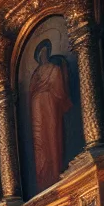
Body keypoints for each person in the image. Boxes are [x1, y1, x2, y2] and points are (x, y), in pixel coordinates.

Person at [27, 39, 76, 192]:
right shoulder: (35, 75)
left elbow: (60, 90)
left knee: (52, 136)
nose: (42, 55)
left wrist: (46, 90)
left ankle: (55, 172)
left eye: (44, 52)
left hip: (50, 106)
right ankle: (43, 179)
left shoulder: (54, 68)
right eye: (39, 54)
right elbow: (30, 93)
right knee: (40, 142)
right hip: (37, 109)